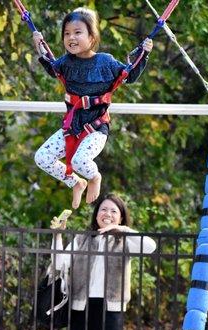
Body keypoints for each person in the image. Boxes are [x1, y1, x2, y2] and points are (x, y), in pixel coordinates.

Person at [33, 8, 153, 209]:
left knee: (80, 160)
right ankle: (76, 182)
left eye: (78, 32)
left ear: (92, 36)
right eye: (67, 33)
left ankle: (94, 177)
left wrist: (144, 53)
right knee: (42, 158)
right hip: (73, 126)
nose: (71, 37)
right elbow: (52, 68)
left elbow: (129, 76)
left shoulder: (105, 61)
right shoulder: (65, 62)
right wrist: (40, 46)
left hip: (96, 128)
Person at [50, 193, 156, 330]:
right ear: (96, 215)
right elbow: (59, 263)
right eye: (103, 210)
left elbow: (150, 246)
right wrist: (57, 236)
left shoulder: (125, 240)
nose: (108, 214)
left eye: (114, 211)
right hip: (81, 307)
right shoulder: (82, 238)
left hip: (110, 309)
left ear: (121, 217)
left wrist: (122, 230)